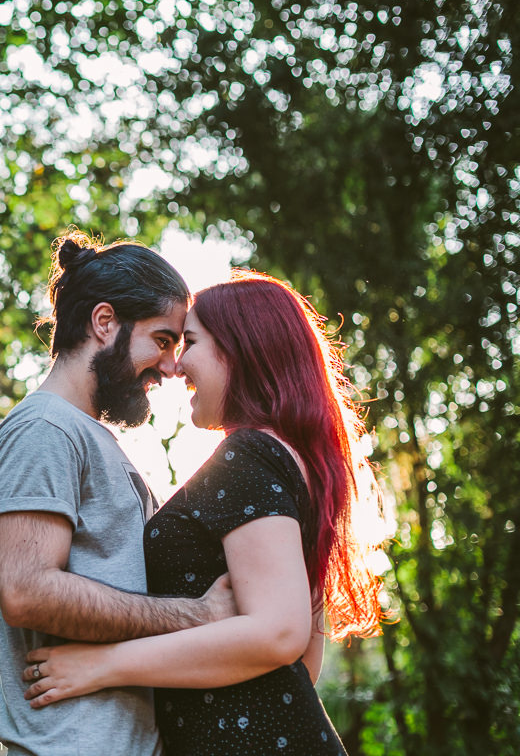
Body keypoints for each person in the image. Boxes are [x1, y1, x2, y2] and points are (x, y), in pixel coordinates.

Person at [21, 271, 386, 756]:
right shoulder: (294, 463)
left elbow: (280, 633)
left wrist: (100, 665)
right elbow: (305, 662)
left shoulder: (249, 456)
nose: (175, 366)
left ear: (239, 350)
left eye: (188, 342)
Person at [0, 231, 236, 756]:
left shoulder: (90, 436)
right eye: (163, 340)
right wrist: (197, 616)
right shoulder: (44, 428)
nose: (172, 366)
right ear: (105, 323)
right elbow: (26, 590)